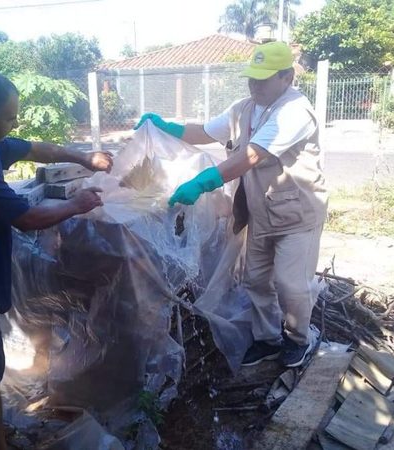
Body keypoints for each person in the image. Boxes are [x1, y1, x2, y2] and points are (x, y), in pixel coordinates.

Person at [0, 68, 113, 450]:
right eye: (10, 117)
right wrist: (77, 204)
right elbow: (26, 219)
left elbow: (35, 149)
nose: (14, 124)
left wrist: (85, 159)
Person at [135, 41, 327, 369]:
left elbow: (251, 156)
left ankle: (299, 338)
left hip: (297, 215)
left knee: (290, 283)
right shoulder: (244, 109)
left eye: (263, 79)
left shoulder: (295, 112)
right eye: (252, 78)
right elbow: (204, 131)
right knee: (256, 279)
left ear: (286, 77)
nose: (255, 85)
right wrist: (167, 127)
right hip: (261, 212)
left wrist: (204, 182)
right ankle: (268, 339)